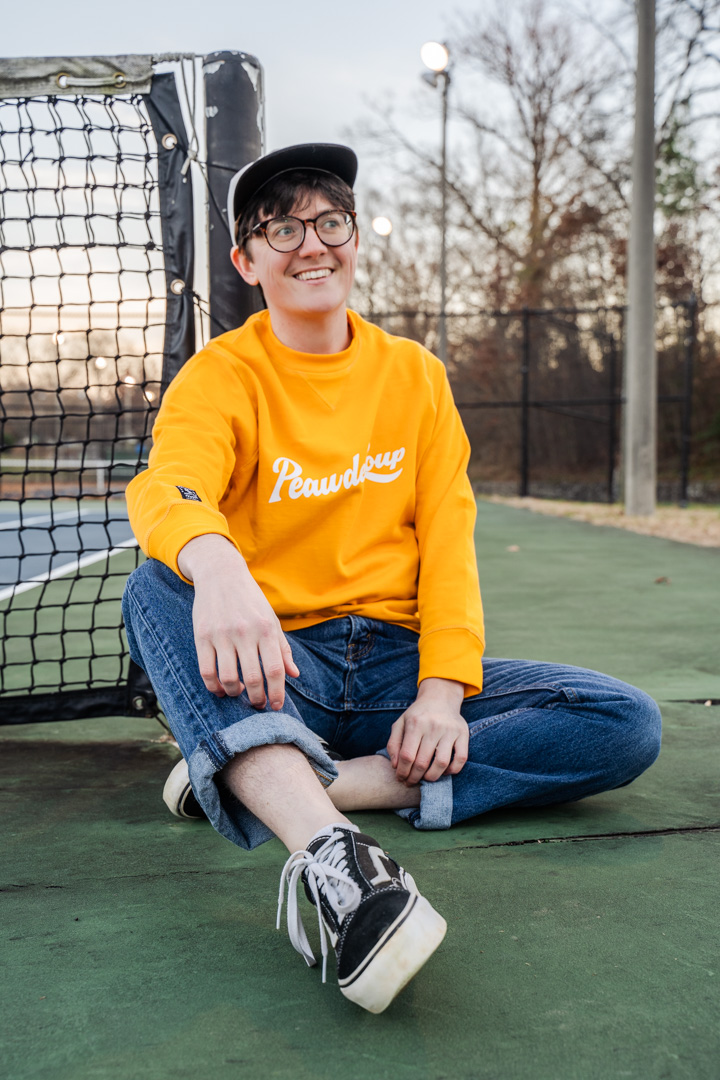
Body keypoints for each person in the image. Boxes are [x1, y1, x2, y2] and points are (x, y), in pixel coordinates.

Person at [122, 143, 661, 1014]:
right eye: (281, 227)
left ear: (356, 238)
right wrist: (215, 563)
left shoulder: (416, 376)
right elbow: (167, 483)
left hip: (392, 675)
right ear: (246, 261)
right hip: (274, 666)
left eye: (329, 221)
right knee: (154, 586)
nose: (311, 245)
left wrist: (443, 695)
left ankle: (276, 772)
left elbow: (450, 539)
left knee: (621, 722)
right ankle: (339, 864)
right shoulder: (221, 374)